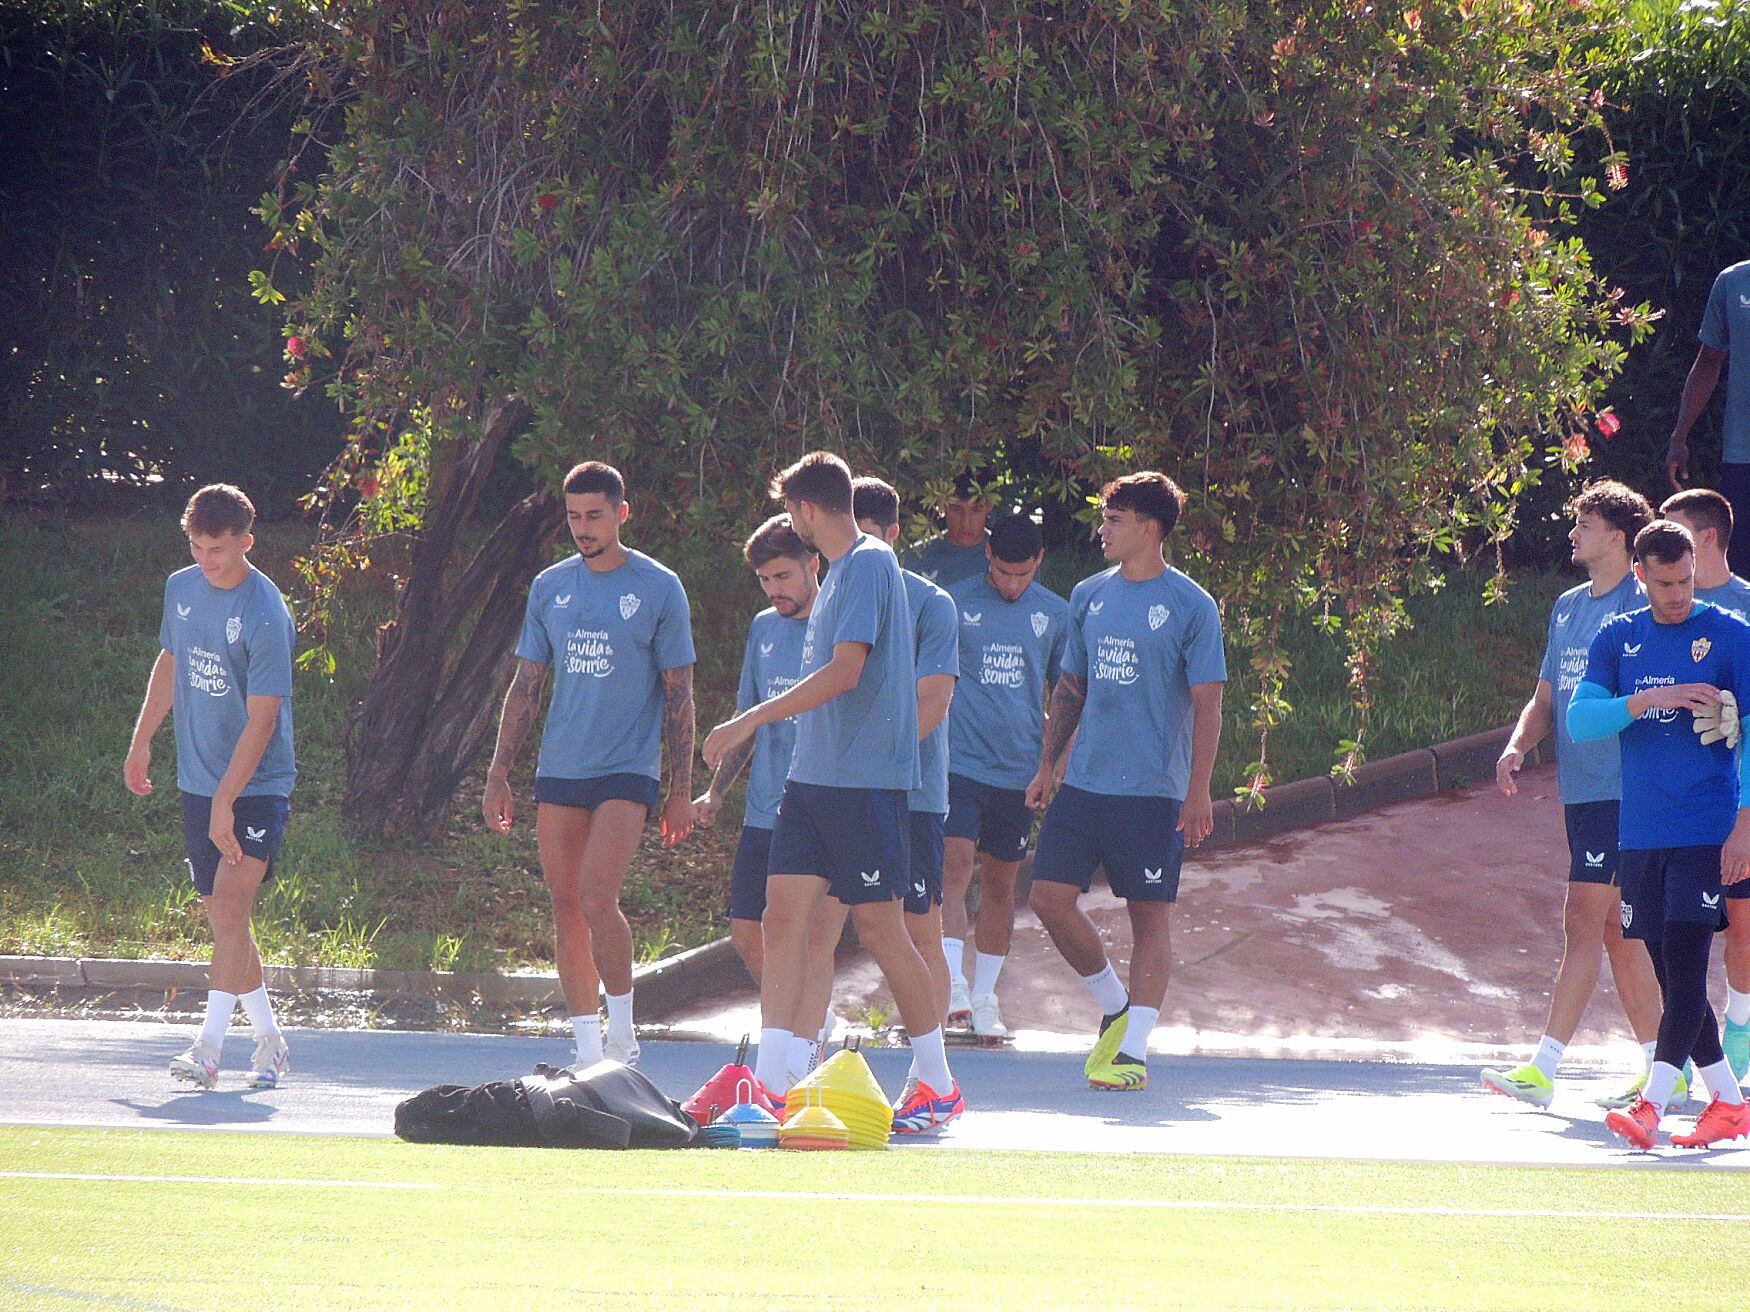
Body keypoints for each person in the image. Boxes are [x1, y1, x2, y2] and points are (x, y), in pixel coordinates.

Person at [702, 451, 963, 1133]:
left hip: (864, 783)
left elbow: (847, 673)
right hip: (811, 783)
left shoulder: (872, 564)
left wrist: (753, 716)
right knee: (781, 922)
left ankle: (936, 1081)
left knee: (881, 927)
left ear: (807, 511)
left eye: (792, 512)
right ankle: (773, 1082)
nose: (792, 524)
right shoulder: (843, 573)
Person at [483, 461, 696, 1069]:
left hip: (628, 768)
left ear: (622, 514)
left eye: (595, 515)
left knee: (599, 897)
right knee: (566, 905)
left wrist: (681, 788)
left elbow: (679, 693)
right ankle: (585, 1050)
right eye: (574, 516)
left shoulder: (659, 587)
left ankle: (624, 1036)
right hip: (562, 767)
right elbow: (526, 685)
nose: (583, 527)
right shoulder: (550, 586)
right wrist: (499, 774)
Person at [1024, 471, 1225, 1091]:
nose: (1103, 530)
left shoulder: (1192, 605)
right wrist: (1047, 765)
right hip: (1084, 784)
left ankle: (1132, 1051)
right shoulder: (1089, 594)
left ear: (1149, 528)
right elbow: (1071, 688)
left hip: (1153, 791)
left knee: (1149, 918)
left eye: (1114, 520)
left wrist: (1198, 790)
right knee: (1047, 899)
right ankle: (1113, 1004)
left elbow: (1208, 704)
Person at [1483, 482, 1664, 1110]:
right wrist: (1518, 745)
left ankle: (1543, 1069)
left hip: (1628, 791)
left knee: (1584, 922)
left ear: (1617, 537)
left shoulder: (1645, 608)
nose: (1572, 535)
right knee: (1617, 931)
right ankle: (1665, 1065)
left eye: (1584, 526)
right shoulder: (1566, 607)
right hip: (1582, 793)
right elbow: (1546, 697)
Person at [1570, 519, 1750, 1148]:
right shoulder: (1619, 639)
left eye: (1686, 581)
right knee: (1673, 978)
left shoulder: (1730, 636)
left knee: (1686, 963)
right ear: (1640, 574)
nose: (1677, 594)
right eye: (1665, 582)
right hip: (1641, 830)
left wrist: (1745, 826)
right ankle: (1729, 1102)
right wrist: (1648, 701)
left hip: (1706, 825)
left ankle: (1653, 1104)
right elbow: (1581, 722)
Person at [788, 477, 959, 1110]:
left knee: (916, 931)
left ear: (890, 535)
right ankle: (798, 1066)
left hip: (907, 791)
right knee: (816, 928)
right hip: (845, 788)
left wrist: (879, 764)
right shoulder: (836, 583)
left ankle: (929, 1078)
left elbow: (932, 701)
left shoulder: (930, 603)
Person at [125, 484, 296, 1090]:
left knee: (229, 907)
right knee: (226, 919)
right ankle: (271, 1041)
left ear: (246, 543)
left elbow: (265, 716)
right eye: (196, 546)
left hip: (256, 784)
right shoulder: (181, 588)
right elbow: (170, 661)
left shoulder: (266, 611)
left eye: (218, 549)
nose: (206, 560)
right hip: (197, 780)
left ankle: (209, 1046)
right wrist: (143, 737)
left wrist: (228, 799)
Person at [941, 514, 1069, 1038]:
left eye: (1024, 575)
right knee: (953, 867)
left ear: (1038, 562)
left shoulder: (1056, 614)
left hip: (1018, 772)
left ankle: (986, 995)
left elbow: (1067, 699)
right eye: (1003, 573)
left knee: (1001, 882)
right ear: (988, 557)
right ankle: (951, 992)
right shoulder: (951, 603)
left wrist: (1051, 767)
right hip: (957, 763)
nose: (1013, 585)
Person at [693, 514, 819, 985]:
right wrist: (717, 792)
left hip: (821, 806)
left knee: (806, 933)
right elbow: (749, 719)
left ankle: (801, 1030)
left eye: (782, 576)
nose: (773, 590)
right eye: (764, 580)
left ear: (813, 564)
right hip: (764, 810)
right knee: (748, 930)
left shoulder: (838, 630)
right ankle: (805, 1022)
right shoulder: (764, 627)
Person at [1662, 487, 1750, 1078]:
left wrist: (1745, 815)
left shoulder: (1744, 611)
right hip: (1672, 808)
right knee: (1671, 937)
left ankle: (1739, 1039)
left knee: (1742, 923)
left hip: (1734, 800)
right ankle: (1669, 1057)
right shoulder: (1655, 610)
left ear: (1708, 539)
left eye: (1678, 534)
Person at [1665, 258, 1750, 574]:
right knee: (1740, 570)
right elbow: (1708, 363)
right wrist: (1679, 436)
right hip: (1743, 458)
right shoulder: (1734, 282)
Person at [903, 471, 996, 591]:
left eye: (976, 510)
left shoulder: (1006, 557)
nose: (966, 523)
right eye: (956, 509)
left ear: (989, 506)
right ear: (942, 505)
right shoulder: (914, 558)